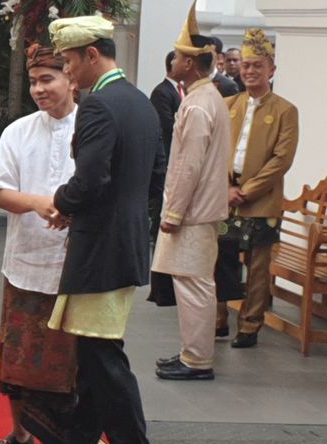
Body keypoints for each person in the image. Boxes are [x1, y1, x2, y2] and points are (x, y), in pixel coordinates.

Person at [42, 15, 165, 444]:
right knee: (95, 357)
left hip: (100, 250)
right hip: (127, 241)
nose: (69, 73)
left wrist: (62, 203)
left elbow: (91, 178)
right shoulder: (140, 103)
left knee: (105, 362)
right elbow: (153, 176)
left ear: (92, 54)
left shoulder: (98, 107)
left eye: (70, 62)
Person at [0, 43, 78, 444]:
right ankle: (18, 435)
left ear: (71, 78)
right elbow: (2, 193)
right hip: (24, 260)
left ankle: (58, 442)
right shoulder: (17, 131)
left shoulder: (91, 127)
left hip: (72, 264)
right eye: (34, 81)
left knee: (63, 361)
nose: (38, 88)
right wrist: (38, 203)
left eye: (47, 79)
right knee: (17, 357)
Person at [153, 2, 230, 381]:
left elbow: (188, 166)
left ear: (190, 63)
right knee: (192, 285)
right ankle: (191, 353)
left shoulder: (199, 104)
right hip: (200, 209)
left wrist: (173, 213)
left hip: (194, 212)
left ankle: (197, 361)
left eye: (180, 56)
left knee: (195, 286)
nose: (175, 61)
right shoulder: (205, 98)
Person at [215, 28, 299, 348]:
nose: (250, 71)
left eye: (257, 66)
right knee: (220, 259)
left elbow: (282, 160)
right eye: (246, 65)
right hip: (225, 197)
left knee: (258, 265)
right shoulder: (227, 104)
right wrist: (225, 187)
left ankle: (250, 325)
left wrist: (246, 190)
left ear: (271, 70)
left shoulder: (285, 111)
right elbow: (216, 150)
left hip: (261, 200)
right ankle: (218, 321)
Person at [149, 50, 181, 244]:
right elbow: (165, 126)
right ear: (172, 65)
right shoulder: (162, 91)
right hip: (168, 155)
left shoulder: (179, 90)